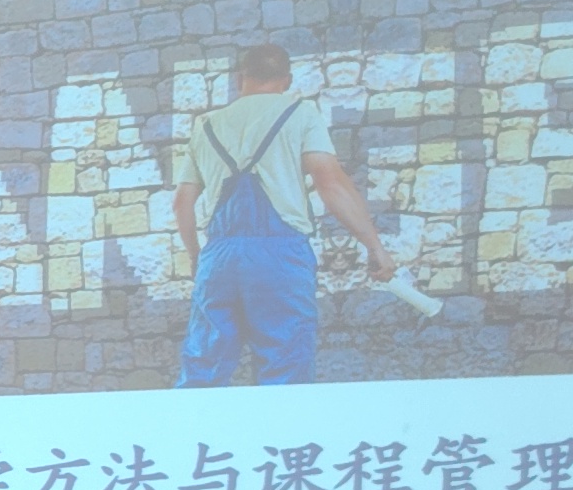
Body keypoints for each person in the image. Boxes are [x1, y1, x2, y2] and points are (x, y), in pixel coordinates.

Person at [171, 43, 401, 390]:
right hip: (279, 256)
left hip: (218, 259)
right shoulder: (300, 113)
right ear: (287, 79)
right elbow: (331, 183)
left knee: (203, 369)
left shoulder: (206, 126)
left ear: (240, 78)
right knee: (285, 369)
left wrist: (195, 256)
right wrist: (374, 246)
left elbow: (182, 203)